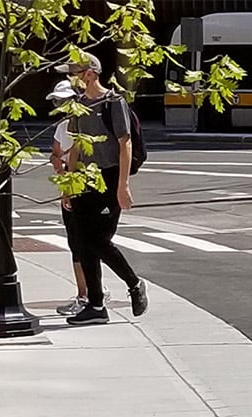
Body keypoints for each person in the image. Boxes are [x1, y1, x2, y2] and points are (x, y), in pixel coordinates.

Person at [58, 58, 149, 326]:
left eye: (73, 74)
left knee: (98, 240)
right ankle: (96, 305)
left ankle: (134, 283)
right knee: (83, 241)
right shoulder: (78, 106)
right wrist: (69, 184)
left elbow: (125, 143)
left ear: (88, 74)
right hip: (84, 179)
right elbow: (76, 145)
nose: (70, 79)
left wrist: (123, 186)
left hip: (108, 177)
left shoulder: (113, 103)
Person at [43, 80, 95, 316]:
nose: (60, 106)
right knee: (76, 244)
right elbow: (55, 155)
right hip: (69, 188)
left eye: (64, 101)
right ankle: (86, 292)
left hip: (83, 190)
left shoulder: (86, 126)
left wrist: (68, 189)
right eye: (57, 102)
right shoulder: (62, 127)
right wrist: (59, 165)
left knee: (86, 244)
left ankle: (89, 294)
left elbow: (79, 160)